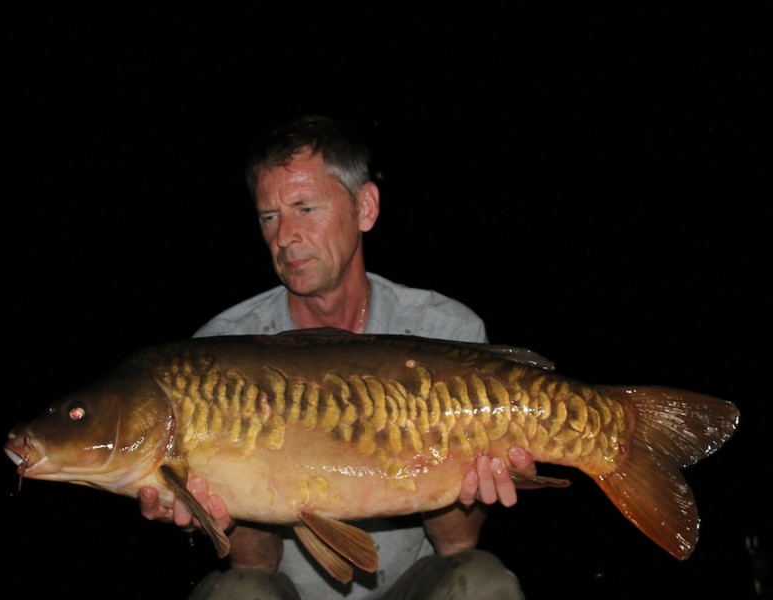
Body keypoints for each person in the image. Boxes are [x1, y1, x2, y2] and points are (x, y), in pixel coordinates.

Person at [138, 115, 541, 599]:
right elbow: (254, 563)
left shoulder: (445, 332)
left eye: (305, 208)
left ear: (364, 207)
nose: (284, 235)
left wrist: (466, 477)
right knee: (238, 592)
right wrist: (210, 508)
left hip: (411, 586)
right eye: (269, 216)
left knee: (481, 580)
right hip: (287, 590)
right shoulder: (220, 351)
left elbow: (456, 543)